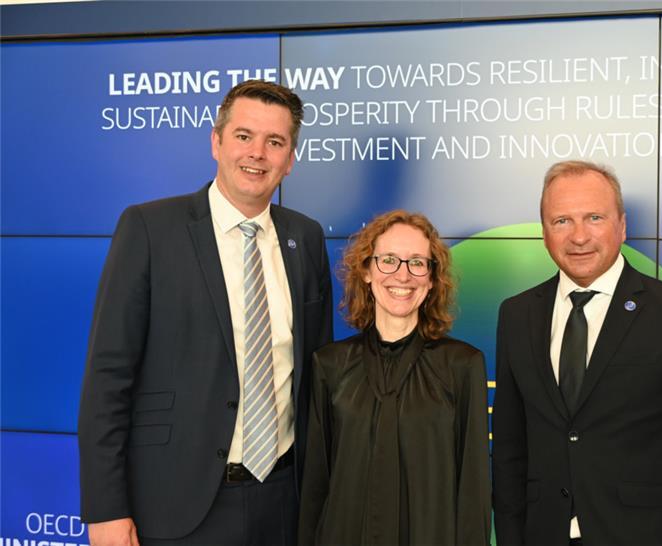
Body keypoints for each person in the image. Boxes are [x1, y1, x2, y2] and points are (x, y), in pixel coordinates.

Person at [78, 80, 333, 546]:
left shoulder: (306, 237)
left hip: (283, 501)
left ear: (290, 159)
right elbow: (107, 378)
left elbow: (315, 374)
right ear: (216, 142)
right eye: (243, 136)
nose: (257, 153)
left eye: (274, 142)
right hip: (177, 506)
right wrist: (106, 510)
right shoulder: (150, 228)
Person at [492, 160, 662, 546]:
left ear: (621, 225)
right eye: (562, 221)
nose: (579, 236)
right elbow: (509, 449)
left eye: (594, 217)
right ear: (544, 233)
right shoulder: (517, 314)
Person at [297, 210, 491, 546]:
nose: (402, 275)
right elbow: (316, 486)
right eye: (388, 260)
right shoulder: (329, 365)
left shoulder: (462, 365)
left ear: (432, 278)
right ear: (367, 271)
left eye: (417, 262)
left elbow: (472, 491)